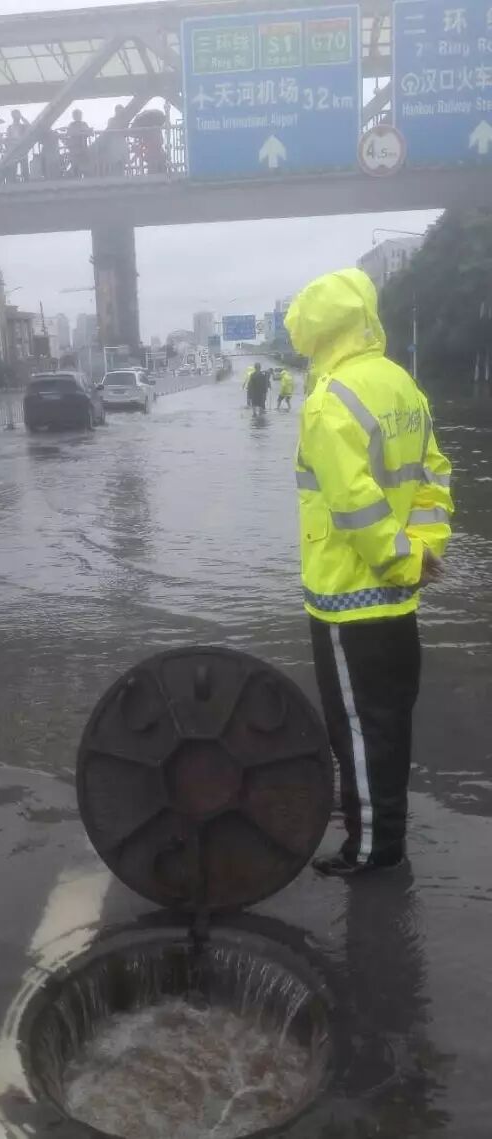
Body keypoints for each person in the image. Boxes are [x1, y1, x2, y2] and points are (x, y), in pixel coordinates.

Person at [285, 268, 453, 877]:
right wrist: (425, 550)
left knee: (356, 728)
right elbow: (434, 475)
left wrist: (401, 557)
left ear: (317, 332)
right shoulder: (400, 384)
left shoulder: (330, 400)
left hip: (349, 596)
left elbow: (354, 503)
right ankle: (386, 832)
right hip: (399, 599)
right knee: (388, 722)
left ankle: (372, 849)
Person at [65, 109, 92, 177]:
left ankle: (86, 179)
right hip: (75, 149)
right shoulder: (71, 125)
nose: (78, 116)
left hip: (83, 149)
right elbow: (69, 133)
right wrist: (82, 132)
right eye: (76, 115)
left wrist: (87, 131)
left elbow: (90, 133)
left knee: (85, 167)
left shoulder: (84, 124)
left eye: (79, 115)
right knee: (75, 167)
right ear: (74, 116)